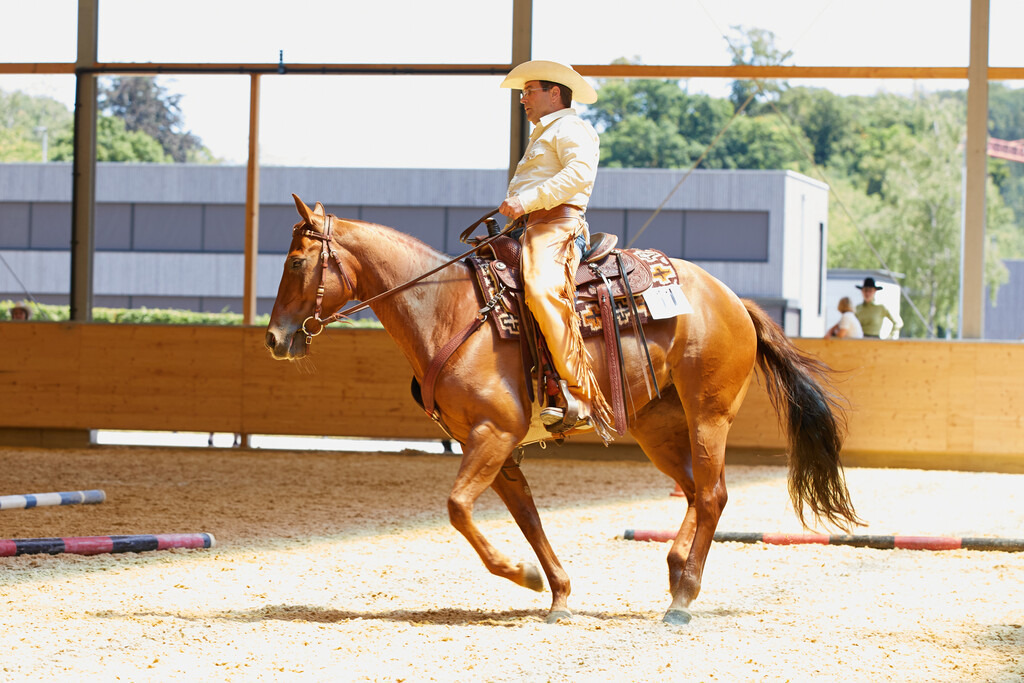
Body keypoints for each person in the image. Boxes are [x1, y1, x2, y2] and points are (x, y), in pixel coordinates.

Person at [498, 60, 614, 441]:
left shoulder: (571, 128)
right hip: (528, 227)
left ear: (554, 93)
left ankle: (578, 393)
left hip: (557, 227)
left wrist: (526, 198)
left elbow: (579, 174)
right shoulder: (546, 132)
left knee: (543, 290)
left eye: (528, 91)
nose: (522, 99)